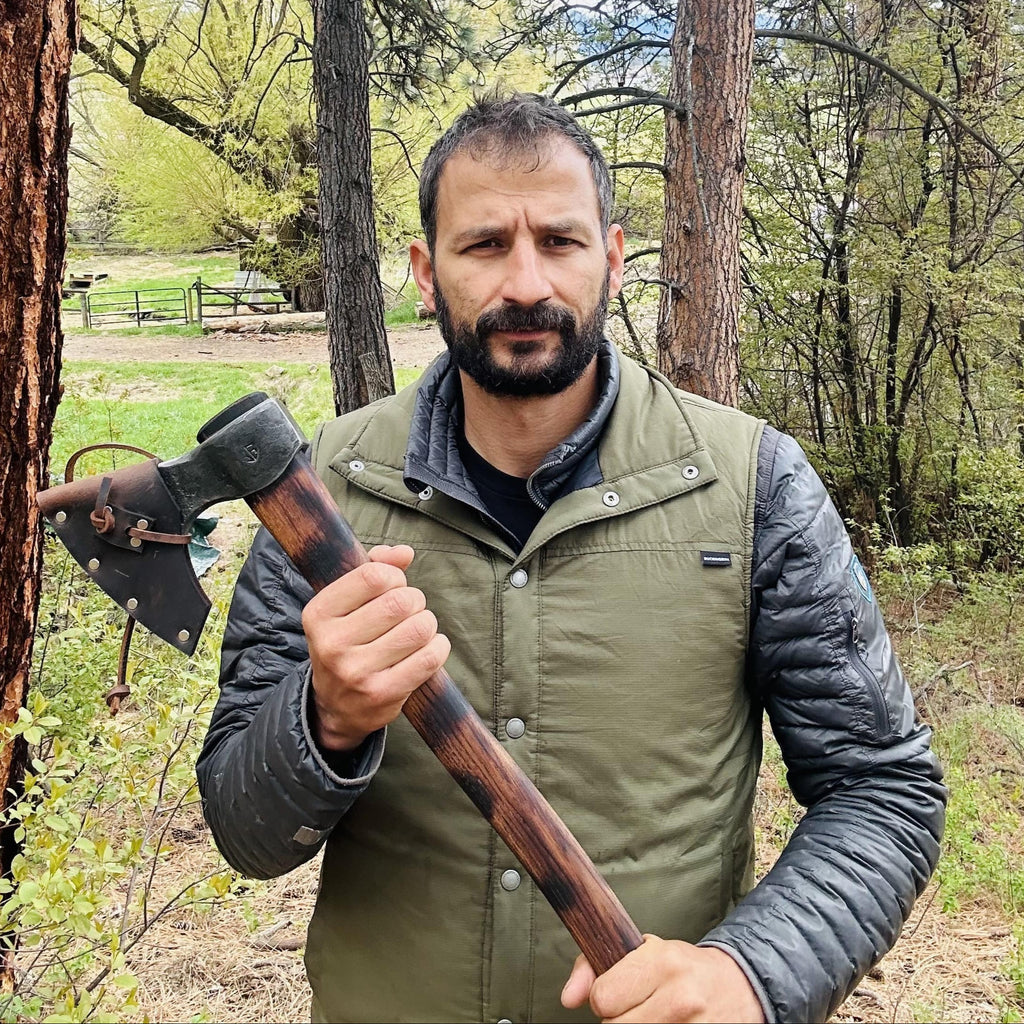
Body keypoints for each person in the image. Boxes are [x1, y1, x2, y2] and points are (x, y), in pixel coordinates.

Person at [197, 93, 946, 1024]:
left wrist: (752, 975)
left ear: (615, 258)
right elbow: (243, 827)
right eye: (483, 246)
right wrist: (325, 720)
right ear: (426, 273)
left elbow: (883, 786)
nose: (524, 283)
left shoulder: (754, 484)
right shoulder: (320, 497)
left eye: (559, 240)